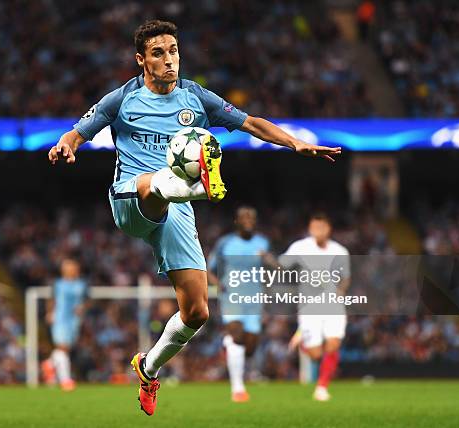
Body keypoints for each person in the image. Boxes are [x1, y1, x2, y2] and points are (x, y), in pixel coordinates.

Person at [48, 20, 341, 416]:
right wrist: (66, 145)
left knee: (197, 312)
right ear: (141, 60)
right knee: (157, 186)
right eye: (157, 53)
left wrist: (295, 143)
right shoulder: (121, 100)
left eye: (172, 50)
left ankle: (148, 368)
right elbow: (78, 132)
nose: (168, 60)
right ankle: (195, 182)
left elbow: (251, 122)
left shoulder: (196, 98)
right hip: (132, 196)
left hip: (176, 210)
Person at [266, 213, 351, 401]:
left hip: (333, 305)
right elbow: (281, 265)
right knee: (315, 354)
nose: (317, 231)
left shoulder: (340, 251)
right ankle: (304, 340)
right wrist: (268, 259)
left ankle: (321, 387)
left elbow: (346, 278)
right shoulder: (301, 246)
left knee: (333, 344)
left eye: (320, 227)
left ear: (328, 229)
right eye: (313, 227)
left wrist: (341, 291)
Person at [207, 206, 270, 402]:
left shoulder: (263, 243)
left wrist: (268, 262)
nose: (248, 221)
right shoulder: (225, 243)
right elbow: (209, 269)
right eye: (244, 217)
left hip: (254, 299)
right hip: (232, 297)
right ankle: (238, 388)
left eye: (251, 217)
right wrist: (220, 285)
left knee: (250, 346)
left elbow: (274, 268)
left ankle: (228, 344)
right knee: (237, 336)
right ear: (237, 221)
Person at [44, 258, 87, 391]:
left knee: (65, 349)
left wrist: (83, 307)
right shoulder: (57, 284)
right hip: (60, 319)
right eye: (69, 267)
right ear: (64, 270)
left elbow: (88, 300)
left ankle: (49, 364)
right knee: (62, 347)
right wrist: (50, 313)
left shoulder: (82, 285)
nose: (72, 270)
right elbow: (51, 300)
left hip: (74, 321)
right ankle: (65, 380)